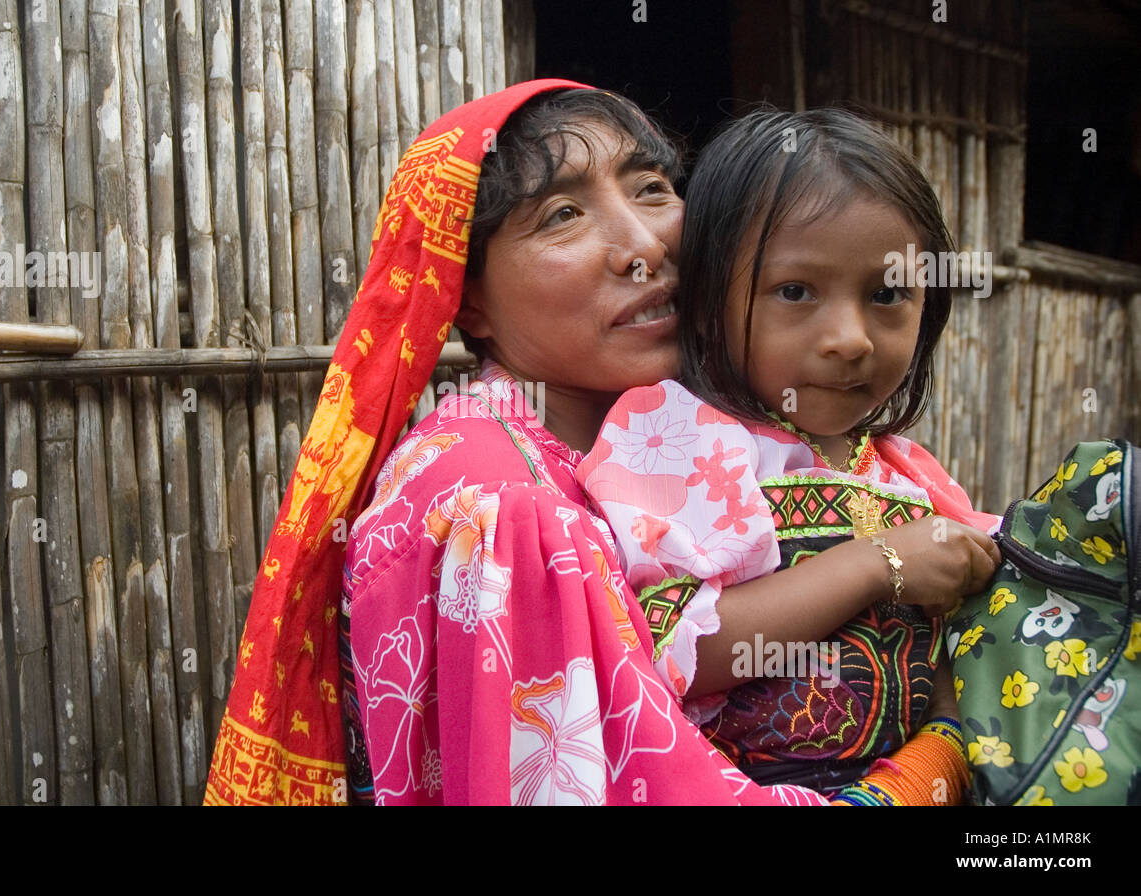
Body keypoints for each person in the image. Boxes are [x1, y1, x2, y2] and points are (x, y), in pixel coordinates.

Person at [205, 80, 825, 805]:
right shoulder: (498, 504)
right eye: (562, 215)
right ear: (464, 297)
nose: (642, 245)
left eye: (653, 189)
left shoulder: (699, 433)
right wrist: (921, 773)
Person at [578, 108, 1003, 803]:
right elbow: (674, 648)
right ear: (712, 298)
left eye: (887, 293)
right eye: (796, 291)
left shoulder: (909, 472)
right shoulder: (681, 440)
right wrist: (877, 564)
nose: (849, 338)